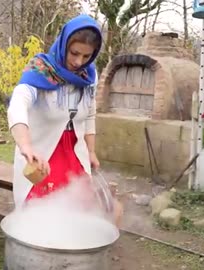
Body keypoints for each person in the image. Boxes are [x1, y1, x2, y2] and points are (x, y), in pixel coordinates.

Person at [7, 14, 123, 224]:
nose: (79, 62)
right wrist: (26, 146)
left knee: (78, 211)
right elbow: (17, 104)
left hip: (74, 153)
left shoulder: (88, 76)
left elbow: (89, 114)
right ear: (64, 44)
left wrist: (91, 151)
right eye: (74, 53)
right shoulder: (40, 69)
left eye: (87, 56)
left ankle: (72, 255)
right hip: (42, 154)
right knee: (42, 214)